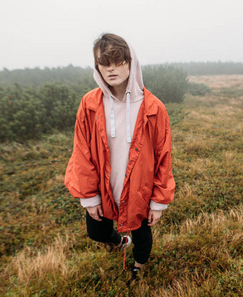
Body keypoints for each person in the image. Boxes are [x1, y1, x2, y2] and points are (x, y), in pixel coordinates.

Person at [64, 33, 175, 280]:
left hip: (139, 189)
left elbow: (163, 157)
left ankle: (140, 263)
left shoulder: (154, 107)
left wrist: (158, 201)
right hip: (103, 187)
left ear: (131, 61)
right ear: (97, 67)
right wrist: (89, 196)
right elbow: (81, 151)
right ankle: (118, 241)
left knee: (142, 235)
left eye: (118, 61)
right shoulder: (89, 104)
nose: (111, 68)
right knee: (96, 232)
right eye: (104, 63)